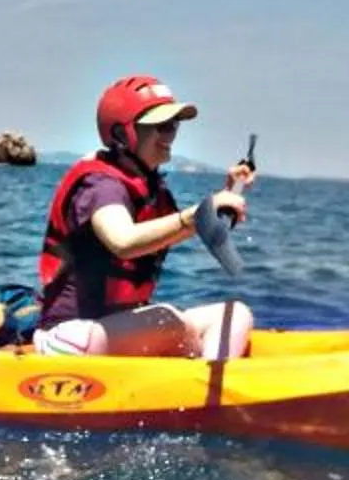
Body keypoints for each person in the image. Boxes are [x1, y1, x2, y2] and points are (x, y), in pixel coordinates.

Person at [34, 73, 256, 358]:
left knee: (234, 314)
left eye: (173, 125)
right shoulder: (101, 186)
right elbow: (123, 241)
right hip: (71, 338)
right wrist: (194, 216)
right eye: (160, 126)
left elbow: (195, 229)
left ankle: (209, 389)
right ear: (121, 134)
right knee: (168, 321)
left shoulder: (151, 189)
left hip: (112, 332)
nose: (170, 135)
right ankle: (200, 381)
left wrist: (230, 191)